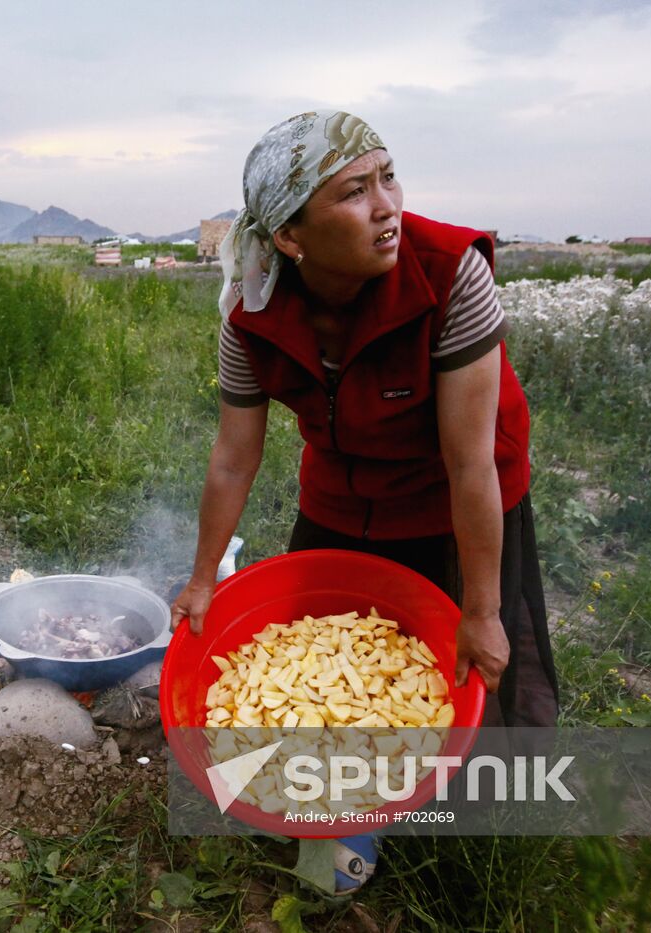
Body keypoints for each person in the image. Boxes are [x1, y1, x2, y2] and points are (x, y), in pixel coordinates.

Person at [168, 110, 560, 895]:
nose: (388, 205)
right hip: (345, 490)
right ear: (291, 237)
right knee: (318, 650)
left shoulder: (451, 274)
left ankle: (477, 825)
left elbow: (468, 463)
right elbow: (234, 457)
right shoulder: (249, 314)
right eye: (354, 191)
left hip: (463, 491)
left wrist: (480, 606)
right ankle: (344, 811)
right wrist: (204, 577)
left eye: (388, 177)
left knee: (478, 660)